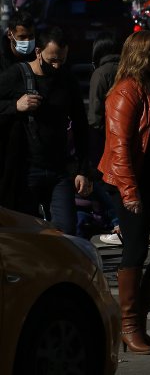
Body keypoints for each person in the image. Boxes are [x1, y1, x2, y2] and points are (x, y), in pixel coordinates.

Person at [97, 30, 150, 355]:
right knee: (134, 249)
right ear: (143, 56)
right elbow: (118, 147)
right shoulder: (125, 92)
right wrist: (129, 191)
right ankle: (129, 325)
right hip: (130, 181)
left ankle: (139, 316)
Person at [0, 25, 93, 233]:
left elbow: (80, 124)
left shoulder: (67, 80)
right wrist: (15, 106)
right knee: (29, 235)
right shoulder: (17, 75)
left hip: (59, 170)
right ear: (38, 52)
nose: (57, 65)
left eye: (62, 59)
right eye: (52, 60)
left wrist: (83, 170)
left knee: (66, 232)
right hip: (25, 170)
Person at [87, 32, 125, 246]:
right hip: (127, 135)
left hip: (106, 137)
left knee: (107, 182)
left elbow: (95, 114)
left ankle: (118, 224)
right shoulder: (128, 70)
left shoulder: (100, 73)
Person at [1, 9, 36, 74]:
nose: (27, 41)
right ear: (10, 35)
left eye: (31, 36)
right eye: (22, 37)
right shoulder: (2, 61)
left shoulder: (39, 54)